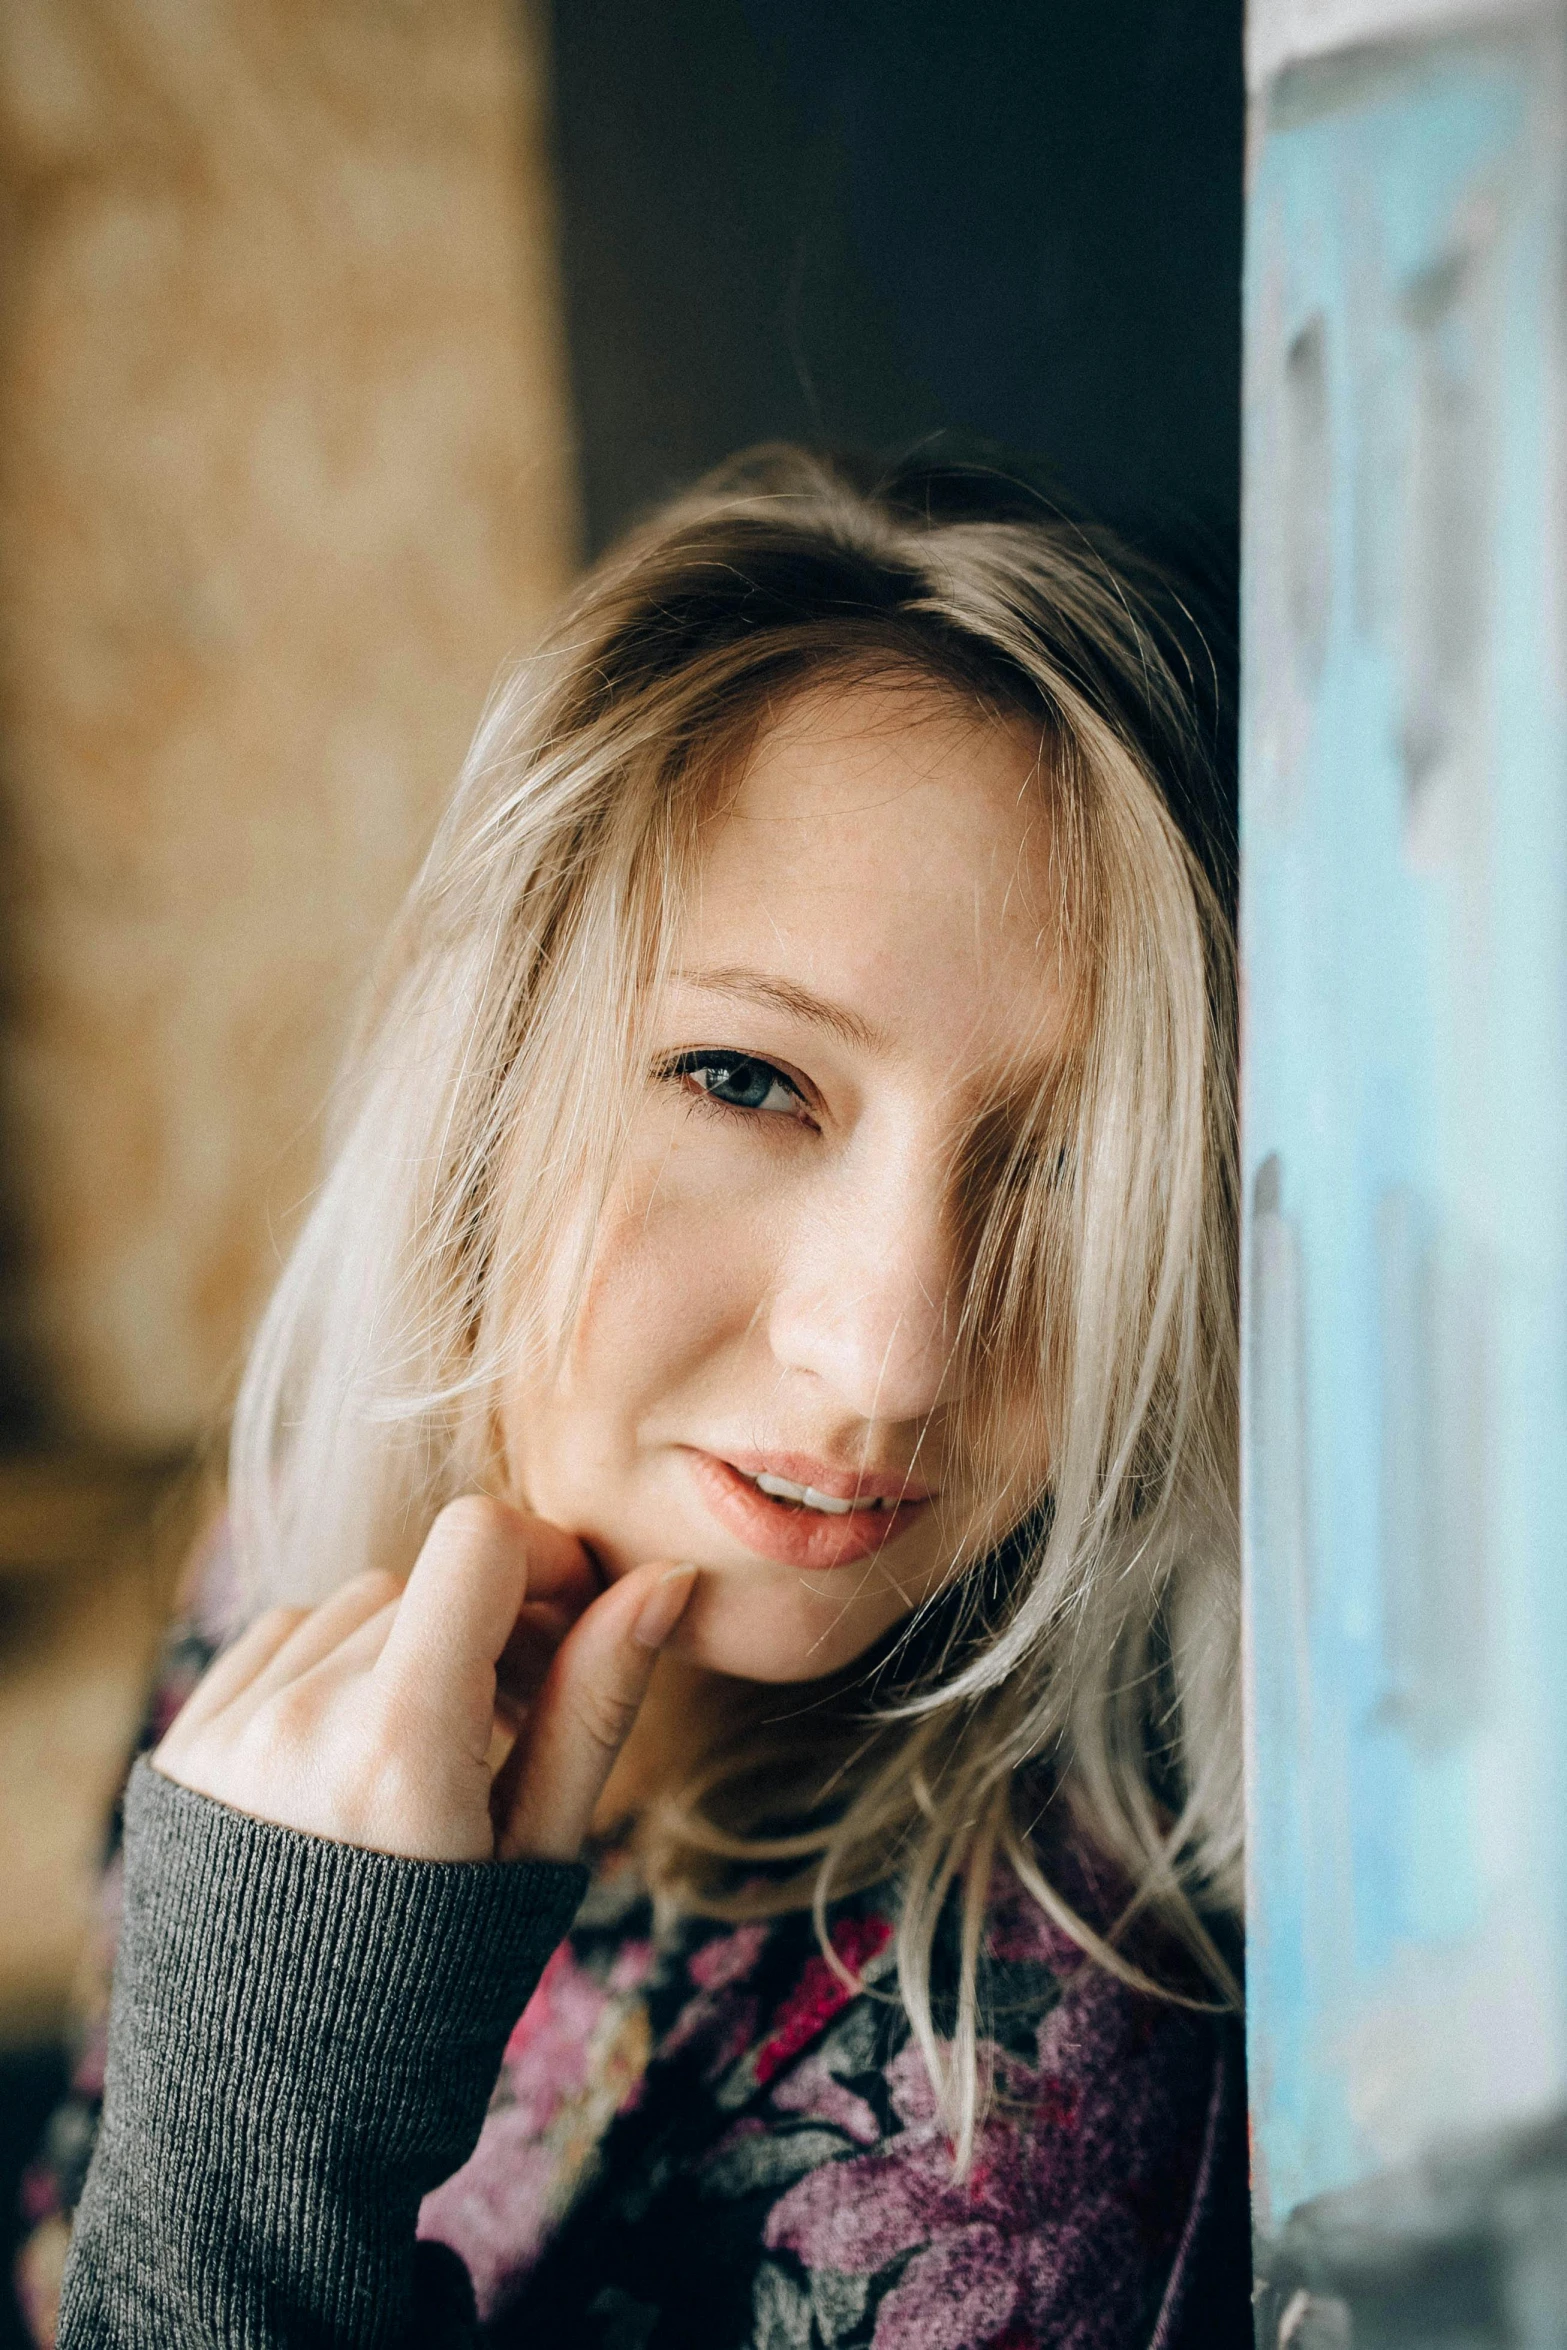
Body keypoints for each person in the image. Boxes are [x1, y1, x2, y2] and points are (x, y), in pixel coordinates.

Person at [37, 448, 1247, 2349]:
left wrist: (258, 2114)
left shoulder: (1004, 2104)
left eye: (1069, 1168)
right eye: (748, 1081)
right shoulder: (281, 1552)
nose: (891, 1358)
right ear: (491, 1071)